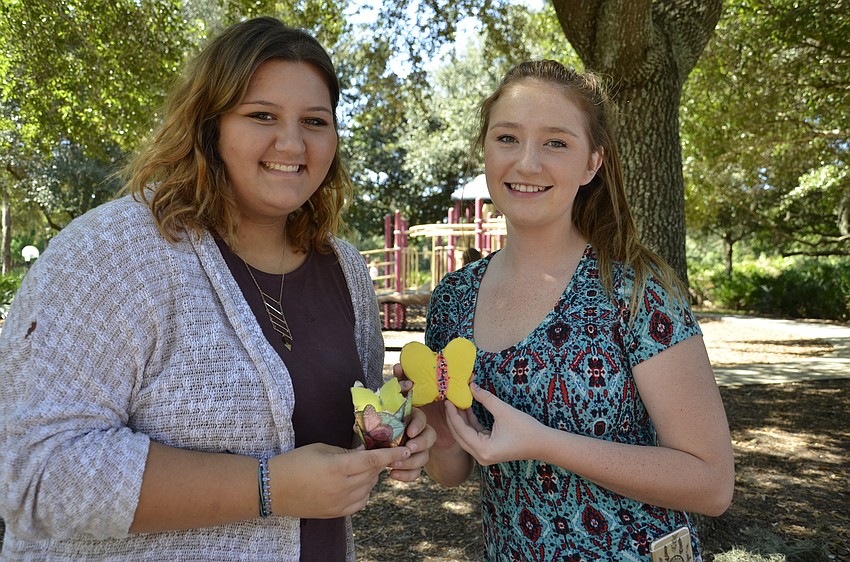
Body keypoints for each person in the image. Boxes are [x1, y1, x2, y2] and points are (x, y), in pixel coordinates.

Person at [0, 17, 434, 561]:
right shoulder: (115, 251)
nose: (293, 142)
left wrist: (390, 436)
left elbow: (336, 435)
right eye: (262, 115)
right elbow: (34, 473)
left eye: (316, 121)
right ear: (210, 127)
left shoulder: (343, 268)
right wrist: (268, 486)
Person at [407, 60, 734, 560]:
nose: (527, 163)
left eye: (556, 142)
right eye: (507, 138)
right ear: (485, 149)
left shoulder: (636, 292)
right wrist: (437, 425)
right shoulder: (454, 297)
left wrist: (544, 442)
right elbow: (452, 474)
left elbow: (712, 484)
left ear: (592, 163)